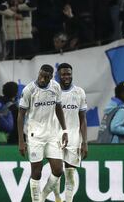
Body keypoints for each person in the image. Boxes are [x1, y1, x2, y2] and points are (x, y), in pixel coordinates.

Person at [17, 64, 68, 202]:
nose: (42, 79)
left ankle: (42, 197)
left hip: (52, 135)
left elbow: (58, 108)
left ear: (51, 77)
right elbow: (21, 115)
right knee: (36, 173)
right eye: (40, 75)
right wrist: (21, 140)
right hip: (35, 136)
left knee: (58, 170)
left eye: (46, 77)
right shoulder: (29, 90)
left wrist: (64, 130)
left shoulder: (56, 87)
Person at [52, 63, 88, 202]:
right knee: (56, 172)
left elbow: (83, 120)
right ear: (58, 75)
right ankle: (57, 199)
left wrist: (85, 142)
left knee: (70, 174)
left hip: (74, 138)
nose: (66, 77)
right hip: (55, 137)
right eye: (63, 74)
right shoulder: (53, 92)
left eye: (69, 74)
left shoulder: (79, 92)